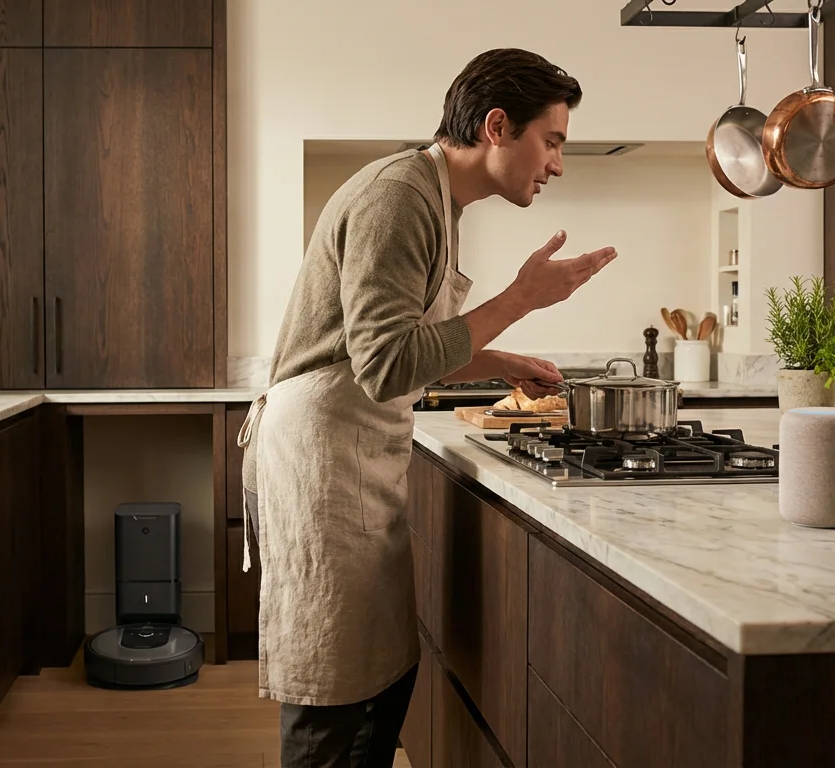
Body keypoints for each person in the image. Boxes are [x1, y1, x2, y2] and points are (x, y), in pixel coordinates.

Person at [237, 47, 618, 767]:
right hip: (325, 456)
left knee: (374, 679)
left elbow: (398, 342)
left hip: (348, 452)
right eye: (553, 141)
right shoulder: (399, 195)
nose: (559, 163)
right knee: (337, 693)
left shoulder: (437, 198)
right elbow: (384, 367)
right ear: (498, 126)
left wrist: (499, 362)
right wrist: (519, 299)